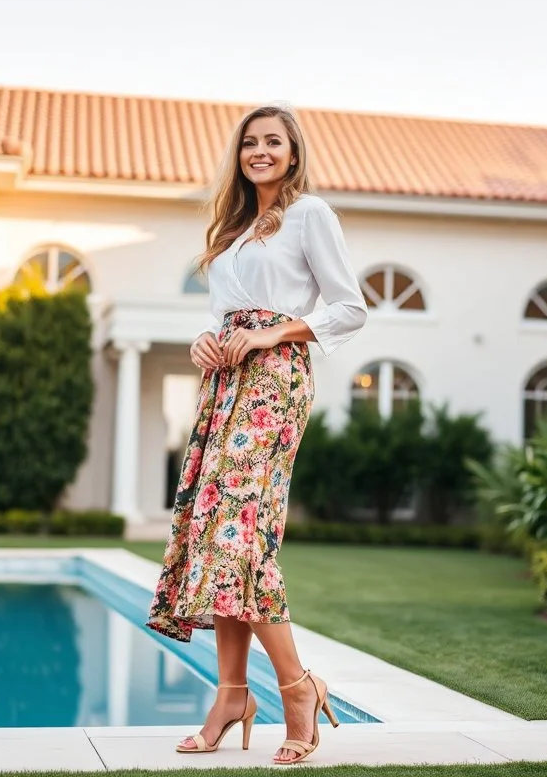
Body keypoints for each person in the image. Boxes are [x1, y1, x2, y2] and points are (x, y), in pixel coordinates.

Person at [145, 104, 368, 765]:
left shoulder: (310, 214)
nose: (260, 151)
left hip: (274, 384)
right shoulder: (234, 227)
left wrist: (271, 331)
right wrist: (206, 343)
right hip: (224, 387)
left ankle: (297, 689)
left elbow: (350, 307)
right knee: (218, 537)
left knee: (242, 536)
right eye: (250, 142)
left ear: (293, 153)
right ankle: (232, 694)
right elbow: (224, 315)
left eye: (273, 142)